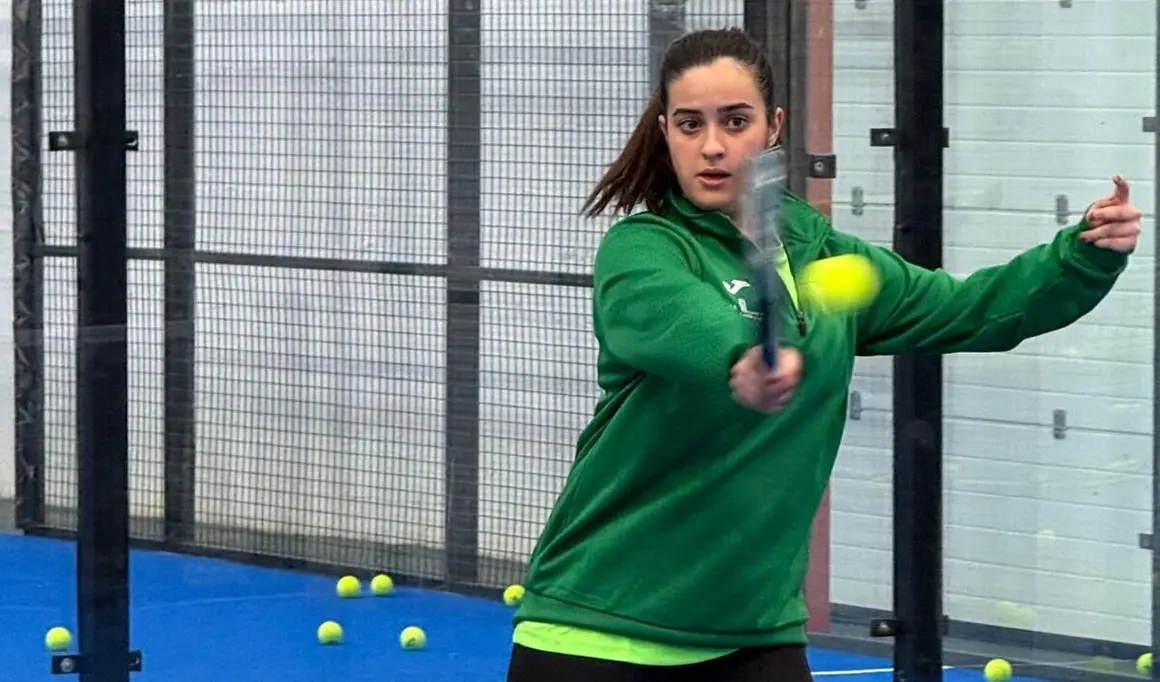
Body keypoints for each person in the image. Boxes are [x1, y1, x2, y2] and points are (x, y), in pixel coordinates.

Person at [504, 27, 1142, 682]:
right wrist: (738, 361)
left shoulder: (831, 260)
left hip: (756, 631)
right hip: (598, 631)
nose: (714, 145)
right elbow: (667, 317)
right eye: (690, 124)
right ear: (665, 131)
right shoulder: (643, 248)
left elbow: (978, 307)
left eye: (736, 120)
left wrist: (1083, 254)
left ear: (773, 127)